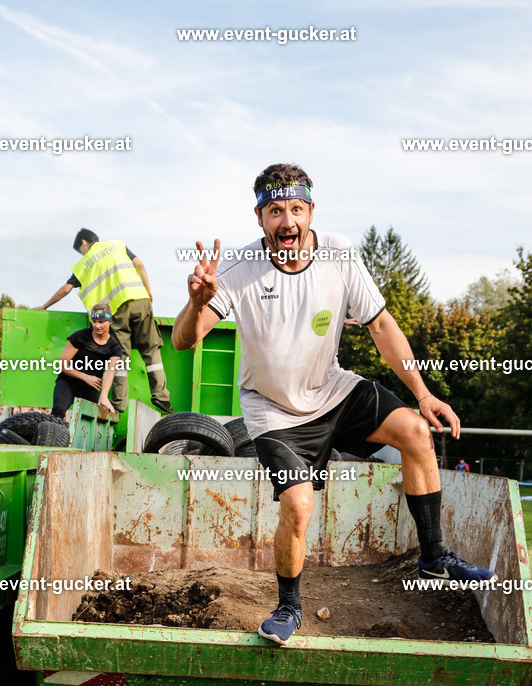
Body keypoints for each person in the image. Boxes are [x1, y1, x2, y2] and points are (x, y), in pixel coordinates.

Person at [172, 162, 496, 646]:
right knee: (298, 506)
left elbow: (381, 326)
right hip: (273, 411)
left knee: (415, 431)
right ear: (259, 217)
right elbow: (183, 340)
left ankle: (434, 557)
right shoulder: (238, 269)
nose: (287, 221)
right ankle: (288, 607)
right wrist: (198, 302)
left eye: (296, 209)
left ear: (311, 211)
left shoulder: (339, 254)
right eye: (275, 211)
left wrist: (423, 394)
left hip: (333, 390)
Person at [36, 229, 174, 414]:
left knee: (120, 358)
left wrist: (45, 306)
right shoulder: (117, 245)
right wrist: (148, 290)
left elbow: (65, 289)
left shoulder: (83, 265)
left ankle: (119, 404)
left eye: (80, 250)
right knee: (151, 350)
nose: (81, 254)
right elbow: (140, 264)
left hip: (115, 311)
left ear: (83, 242)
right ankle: (161, 397)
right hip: (139, 300)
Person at [51, 302, 123, 418]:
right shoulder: (80, 337)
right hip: (68, 382)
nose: (97, 326)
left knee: (90, 419)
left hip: (91, 388)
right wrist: (84, 376)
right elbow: (62, 364)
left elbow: (109, 372)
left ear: (109, 322)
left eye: (101, 322)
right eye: (94, 321)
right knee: (58, 410)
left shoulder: (114, 347)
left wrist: (104, 395)